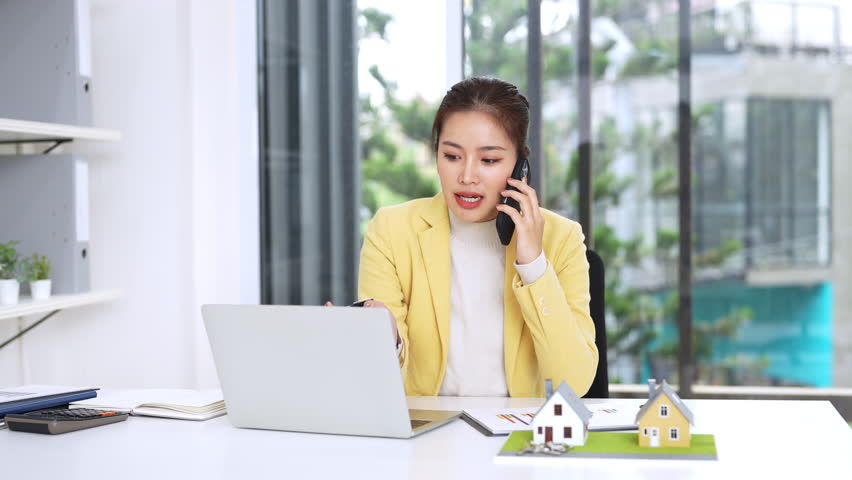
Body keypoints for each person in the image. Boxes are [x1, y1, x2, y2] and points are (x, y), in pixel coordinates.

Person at [357, 77, 598, 398]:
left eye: (489, 160)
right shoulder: (391, 230)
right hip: (427, 433)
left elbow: (574, 385)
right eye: (452, 156)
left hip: (519, 433)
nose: (467, 176)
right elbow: (379, 382)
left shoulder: (563, 238)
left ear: (519, 167)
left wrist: (534, 265)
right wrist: (384, 335)